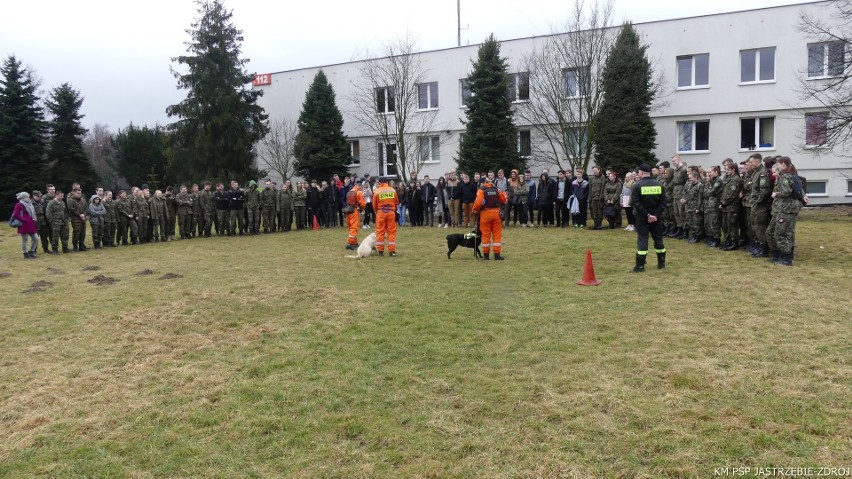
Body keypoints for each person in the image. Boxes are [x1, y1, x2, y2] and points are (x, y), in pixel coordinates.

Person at [766, 157, 806, 266]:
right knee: (784, 232)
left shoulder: (785, 177)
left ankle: (786, 258)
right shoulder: (790, 176)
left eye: (778, 164)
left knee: (781, 233)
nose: (777, 166)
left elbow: (786, 192)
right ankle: (784, 256)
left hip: (786, 209)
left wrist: (776, 194)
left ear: (783, 165)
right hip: (786, 208)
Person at [629, 163, 667, 272]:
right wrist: (655, 215)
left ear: (641, 173)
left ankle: (640, 266)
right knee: (658, 239)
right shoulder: (659, 185)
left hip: (642, 218)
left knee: (642, 240)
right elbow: (663, 202)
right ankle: (661, 264)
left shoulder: (637, 185)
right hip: (657, 218)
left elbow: (636, 203)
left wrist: (647, 215)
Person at [473, 174, 508, 260]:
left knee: (485, 235)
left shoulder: (481, 190)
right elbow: (504, 200)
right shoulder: (496, 189)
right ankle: (497, 255)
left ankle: (486, 256)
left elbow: (478, 203)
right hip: (496, 214)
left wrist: (474, 210)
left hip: (485, 214)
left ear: (482, 183)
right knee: (497, 235)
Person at [373, 176, 399, 256]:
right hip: (391, 212)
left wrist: (378, 211)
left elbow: (374, 205)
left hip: (381, 212)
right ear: (387, 182)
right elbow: (396, 202)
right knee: (391, 231)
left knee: (380, 231)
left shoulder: (377, 191)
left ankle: (380, 251)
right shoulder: (392, 190)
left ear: (379, 183)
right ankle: (392, 251)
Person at [719, 162, 743, 250]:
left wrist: (724, 202)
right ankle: (728, 240)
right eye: (726, 170)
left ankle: (734, 242)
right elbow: (724, 192)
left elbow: (732, 194)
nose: (726, 171)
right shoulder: (728, 178)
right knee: (726, 225)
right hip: (726, 206)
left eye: (728, 169)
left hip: (732, 206)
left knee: (732, 225)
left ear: (733, 169)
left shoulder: (736, 179)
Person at [12, 192, 39, 259]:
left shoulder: (30, 204)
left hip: (31, 224)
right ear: (23, 198)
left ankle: (31, 251)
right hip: (24, 225)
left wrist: (34, 220)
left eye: (28, 197)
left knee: (36, 238)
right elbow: (15, 215)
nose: (28, 198)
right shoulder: (19, 205)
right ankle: (25, 253)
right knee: (25, 240)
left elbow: (33, 213)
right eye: (27, 197)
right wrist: (24, 220)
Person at [703, 166, 723, 247]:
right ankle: (712, 238)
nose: (708, 174)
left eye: (710, 172)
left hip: (715, 205)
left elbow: (712, 192)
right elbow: (705, 193)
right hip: (710, 205)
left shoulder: (718, 181)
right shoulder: (711, 181)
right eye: (708, 172)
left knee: (715, 223)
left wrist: (709, 191)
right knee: (710, 223)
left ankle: (717, 239)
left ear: (716, 172)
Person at [670, 155, 688, 238]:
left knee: (682, 213)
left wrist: (684, 195)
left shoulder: (684, 169)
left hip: (681, 192)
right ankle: (679, 228)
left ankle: (685, 230)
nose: (673, 163)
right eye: (672, 161)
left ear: (679, 160)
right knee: (676, 212)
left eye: (674, 161)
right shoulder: (675, 170)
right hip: (675, 192)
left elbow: (687, 183)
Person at [344, 181, 366, 250]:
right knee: (354, 227)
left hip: (348, 211)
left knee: (350, 227)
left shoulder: (349, 192)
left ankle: (354, 242)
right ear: (360, 186)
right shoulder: (359, 192)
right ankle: (350, 243)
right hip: (354, 211)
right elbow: (362, 203)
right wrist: (362, 209)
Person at [588, 166, 606, 230]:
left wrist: (601, 196)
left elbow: (603, 187)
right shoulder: (591, 178)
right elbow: (590, 188)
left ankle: (599, 224)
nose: (594, 171)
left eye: (595, 170)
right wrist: (590, 197)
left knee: (599, 211)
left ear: (599, 170)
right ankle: (595, 223)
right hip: (593, 198)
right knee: (594, 211)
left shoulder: (602, 177)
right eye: (593, 170)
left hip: (599, 198)